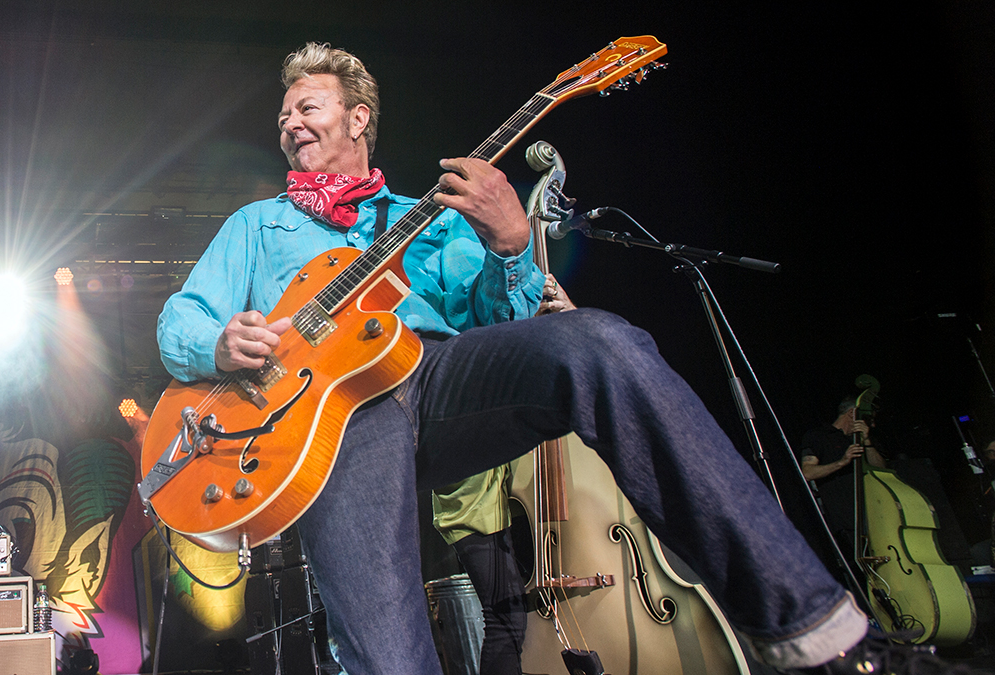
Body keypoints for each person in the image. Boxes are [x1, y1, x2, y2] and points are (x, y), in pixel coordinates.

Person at [156, 42, 958, 674]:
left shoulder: (425, 217)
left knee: (597, 341)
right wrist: (220, 341)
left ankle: (814, 630)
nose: (291, 122)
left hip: (436, 379)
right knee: (389, 650)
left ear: (359, 118)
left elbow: (502, 322)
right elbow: (178, 319)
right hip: (325, 421)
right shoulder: (256, 227)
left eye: (309, 107)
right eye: (285, 114)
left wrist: (510, 246)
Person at [429, 274, 574, 675]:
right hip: (470, 475)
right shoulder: (452, 268)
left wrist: (565, 316)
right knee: (505, 614)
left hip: (526, 469)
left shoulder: (517, 273)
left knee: (507, 616)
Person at [800, 397, 887, 541]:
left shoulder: (866, 439)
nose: (872, 424)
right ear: (853, 413)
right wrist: (842, 462)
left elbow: (881, 470)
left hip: (875, 514)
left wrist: (867, 442)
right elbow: (808, 473)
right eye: (868, 419)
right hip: (845, 518)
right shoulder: (819, 436)